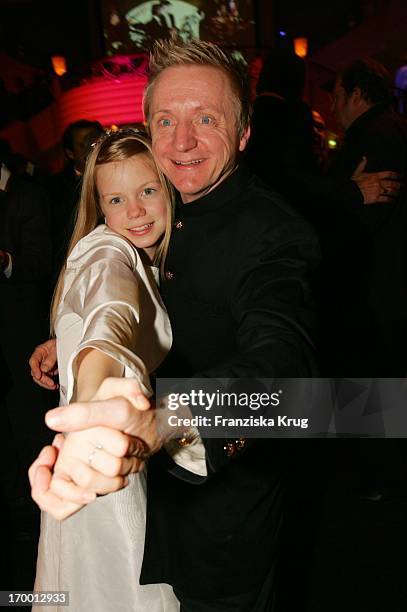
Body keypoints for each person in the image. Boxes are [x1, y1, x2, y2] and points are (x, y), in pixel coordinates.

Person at [30, 37, 321, 610]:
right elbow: (128, 303)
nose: (182, 142)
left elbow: (292, 379)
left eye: (205, 119)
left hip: (221, 532)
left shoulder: (272, 233)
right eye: (166, 120)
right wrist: (72, 342)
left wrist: (168, 415)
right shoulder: (163, 203)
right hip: (147, 522)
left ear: (242, 133)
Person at [32, 128, 179, 611]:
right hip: (102, 459)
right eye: (116, 199)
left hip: (104, 456)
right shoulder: (106, 251)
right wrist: (93, 400)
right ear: (98, 209)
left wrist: (63, 341)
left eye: (148, 191)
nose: (134, 210)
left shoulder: (142, 257)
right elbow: (109, 310)